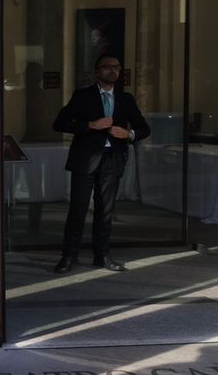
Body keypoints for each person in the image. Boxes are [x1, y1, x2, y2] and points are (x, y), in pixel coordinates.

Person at [52, 55, 149, 273]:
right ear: (97, 71)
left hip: (112, 160)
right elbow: (59, 123)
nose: (113, 70)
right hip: (85, 160)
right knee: (78, 210)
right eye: (107, 67)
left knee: (105, 212)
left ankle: (102, 256)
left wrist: (129, 134)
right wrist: (90, 125)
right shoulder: (82, 96)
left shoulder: (126, 99)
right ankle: (69, 256)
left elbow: (144, 128)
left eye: (117, 67)